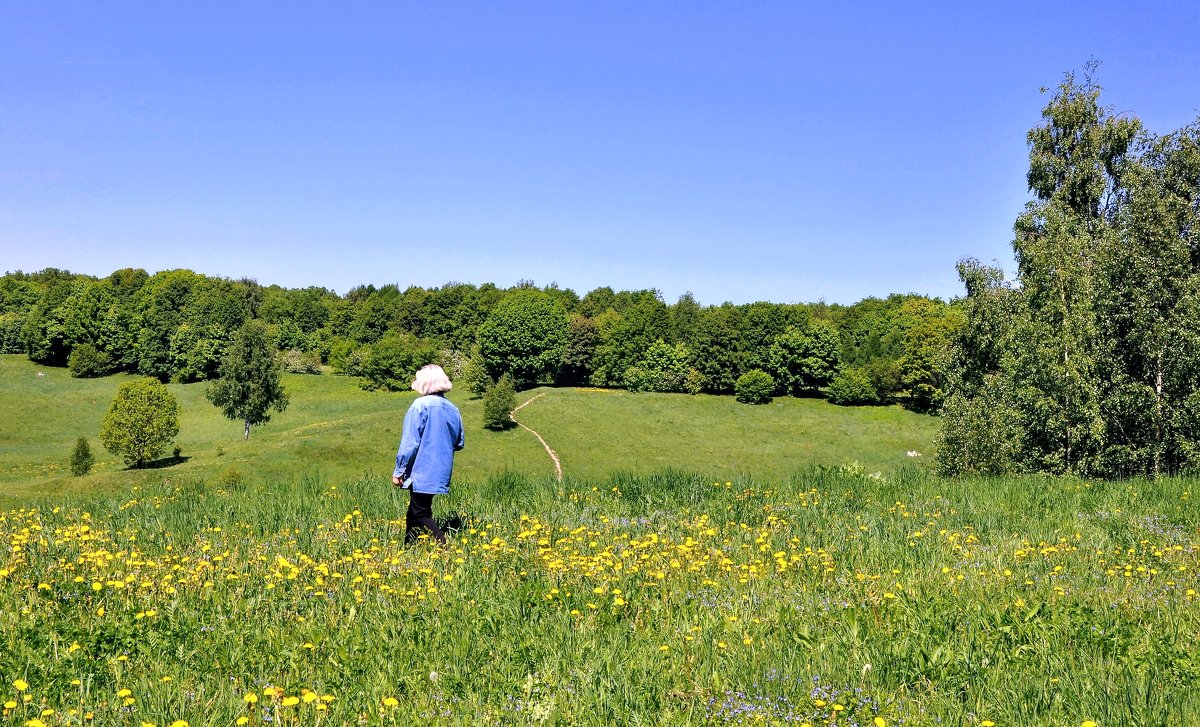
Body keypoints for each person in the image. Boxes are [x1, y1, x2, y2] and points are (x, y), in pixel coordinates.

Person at [392, 364, 464, 545]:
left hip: (420, 468)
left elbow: (410, 442)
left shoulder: (419, 406)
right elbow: (459, 442)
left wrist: (399, 470)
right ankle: (408, 546)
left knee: (421, 512)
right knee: (415, 509)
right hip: (441, 469)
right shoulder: (452, 408)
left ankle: (443, 545)